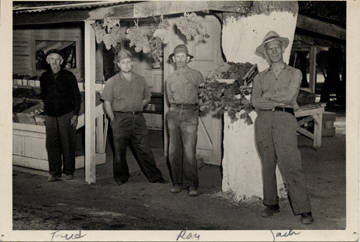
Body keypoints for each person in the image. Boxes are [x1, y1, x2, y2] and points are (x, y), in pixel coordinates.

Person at [251, 31, 314, 224]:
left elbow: (289, 97)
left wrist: (267, 96)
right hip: (263, 122)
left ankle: (304, 209)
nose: (274, 51)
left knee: (291, 163)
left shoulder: (295, 73)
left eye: (277, 47)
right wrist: (273, 98)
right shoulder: (259, 78)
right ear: (266, 53)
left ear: (283, 49)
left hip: (285, 120)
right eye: (270, 49)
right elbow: (255, 102)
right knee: (267, 164)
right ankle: (271, 203)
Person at [102, 50, 165, 185]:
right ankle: (121, 177)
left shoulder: (140, 79)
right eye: (123, 62)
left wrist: (136, 106)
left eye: (129, 62)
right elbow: (107, 102)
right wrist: (113, 119)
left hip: (138, 119)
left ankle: (155, 177)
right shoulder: (112, 81)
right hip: (119, 118)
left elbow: (147, 98)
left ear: (132, 63)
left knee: (145, 149)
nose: (126, 65)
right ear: (118, 64)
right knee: (119, 151)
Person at [166, 44, 204, 196]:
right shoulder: (170, 78)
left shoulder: (196, 75)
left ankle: (192, 185)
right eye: (177, 57)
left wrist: (197, 108)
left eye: (183, 56)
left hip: (190, 114)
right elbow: (169, 98)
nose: (180, 59)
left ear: (188, 58)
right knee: (173, 151)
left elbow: (203, 95)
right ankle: (177, 183)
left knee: (189, 152)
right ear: (173, 59)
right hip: (174, 114)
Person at [40, 49, 81, 182]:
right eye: (51, 59)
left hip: (66, 114)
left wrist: (75, 114)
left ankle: (68, 172)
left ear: (61, 61)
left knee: (67, 143)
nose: (54, 62)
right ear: (48, 61)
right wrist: (45, 113)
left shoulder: (69, 76)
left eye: (57, 59)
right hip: (50, 115)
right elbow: (44, 96)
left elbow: (77, 96)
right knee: (51, 144)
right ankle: (54, 172)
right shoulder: (44, 77)